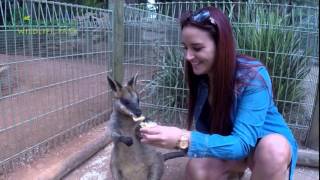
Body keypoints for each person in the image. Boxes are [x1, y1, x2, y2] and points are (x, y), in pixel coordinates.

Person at [140, 6, 298, 180]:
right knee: (197, 169)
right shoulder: (201, 78)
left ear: (221, 46)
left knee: (273, 150)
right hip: (234, 148)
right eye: (185, 48)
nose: (188, 56)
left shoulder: (253, 76)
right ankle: (235, 173)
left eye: (197, 48)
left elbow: (242, 143)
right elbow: (208, 134)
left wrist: (181, 138)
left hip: (261, 146)